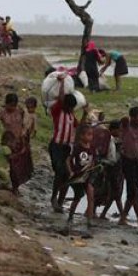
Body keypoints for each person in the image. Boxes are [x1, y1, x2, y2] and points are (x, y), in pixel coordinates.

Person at [49, 73, 82, 212]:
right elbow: (61, 99)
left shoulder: (71, 115)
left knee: (67, 175)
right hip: (56, 146)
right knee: (60, 172)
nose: (71, 110)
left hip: (67, 149)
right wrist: (61, 84)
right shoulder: (57, 111)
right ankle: (54, 198)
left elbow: (78, 127)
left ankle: (61, 200)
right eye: (69, 107)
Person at [0, 93, 32, 195]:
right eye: (10, 105)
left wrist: (25, 139)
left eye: (14, 105)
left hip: (19, 142)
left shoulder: (20, 111)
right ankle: (4, 183)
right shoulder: (2, 113)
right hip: (7, 142)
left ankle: (15, 187)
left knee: (16, 168)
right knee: (1, 165)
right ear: (6, 104)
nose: (12, 108)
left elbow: (25, 125)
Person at [66, 124, 99, 229]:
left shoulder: (92, 147)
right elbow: (68, 160)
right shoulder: (77, 147)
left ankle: (89, 221)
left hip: (88, 176)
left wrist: (94, 167)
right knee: (77, 198)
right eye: (88, 135)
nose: (90, 137)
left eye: (91, 135)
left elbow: (94, 160)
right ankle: (70, 216)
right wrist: (70, 171)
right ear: (81, 136)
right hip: (79, 176)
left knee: (91, 197)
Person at [99, 120, 125, 219]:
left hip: (116, 169)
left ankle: (103, 214)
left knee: (112, 194)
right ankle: (122, 216)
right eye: (119, 130)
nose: (120, 132)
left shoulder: (114, 139)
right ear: (114, 129)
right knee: (116, 194)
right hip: (112, 169)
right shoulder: (109, 140)